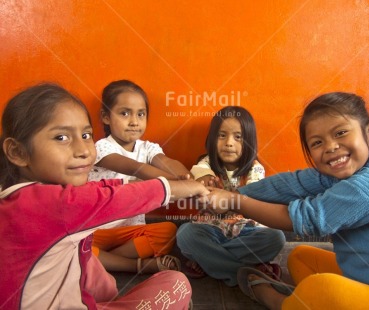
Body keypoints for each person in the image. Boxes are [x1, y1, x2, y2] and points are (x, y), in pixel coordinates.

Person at [0, 82, 208, 309]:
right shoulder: (53, 203)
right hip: (101, 236)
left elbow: (116, 186)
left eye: (86, 134)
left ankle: (114, 266)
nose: (83, 150)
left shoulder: (19, 198)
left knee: (95, 263)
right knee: (177, 284)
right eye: (61, 138)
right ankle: (133, 266)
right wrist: (190, 188)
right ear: (18, 152)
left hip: (95, 249)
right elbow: (120, 192)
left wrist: (186, 179)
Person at [202, 92, 369, 309]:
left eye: (341, 133)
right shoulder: (344, 173)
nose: (331, 147)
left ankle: (278, 302)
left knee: (323, 287)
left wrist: (236, 202)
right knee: (300, 257)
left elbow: (304, 218)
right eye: (317, 142)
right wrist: (237, 193)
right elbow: (291, 184)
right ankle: (306, 301)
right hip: (365, 280)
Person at [89, 80, 192, 275]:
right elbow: (136, 168)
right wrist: (182, 184)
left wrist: (184, 176)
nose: (134, 121)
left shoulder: (147, 148)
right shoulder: (101, 148)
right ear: (106, 117)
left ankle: (103, 261)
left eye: (141, 114)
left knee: (168, 232)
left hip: (129, 234)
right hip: (95, 232)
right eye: (124, 113)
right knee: (70, 246)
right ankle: (137, 266)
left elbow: (166, 162)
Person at [176, 106, 286, 286]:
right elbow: (199, 172)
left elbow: (252, 201)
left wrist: (227, 199)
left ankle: (208, 260)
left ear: (249, 142)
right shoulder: (205, 164)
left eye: (238, 137)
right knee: (185, 235)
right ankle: (248, 272)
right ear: (212, 139)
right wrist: (204, 178)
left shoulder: (255, 169)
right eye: (222, 135)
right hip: (211, 230)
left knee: (276, 238)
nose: (229, 143)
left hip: (245, 231)